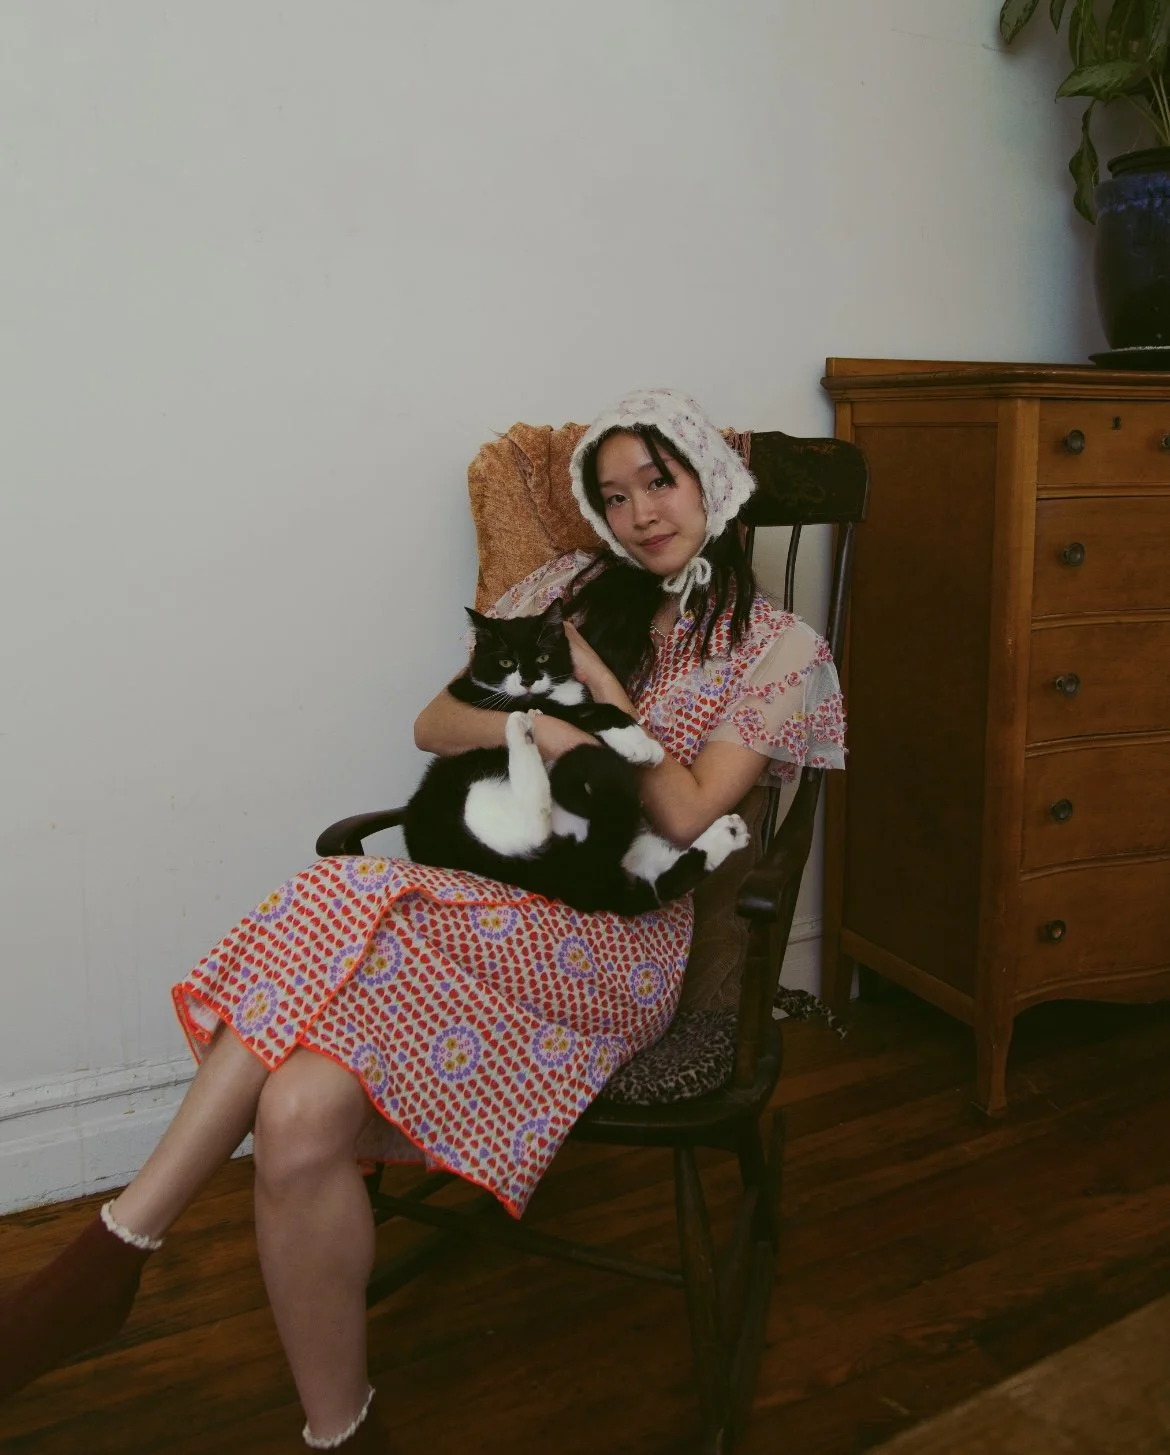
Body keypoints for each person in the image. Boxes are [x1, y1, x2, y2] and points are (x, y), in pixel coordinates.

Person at [0, 389, 845, 1450]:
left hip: (617, 946)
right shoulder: (575, 591)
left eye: (659, 483)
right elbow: (436, 722)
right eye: (615, 496)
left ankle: (117, 1246)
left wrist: (602, 706)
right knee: (300, 1109)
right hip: (497, 907)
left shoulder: (778, 653)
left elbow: (681, 812)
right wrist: (540, 717)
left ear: (709, 481)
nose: (639, 516)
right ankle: (338, 1427)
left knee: (338, 890)